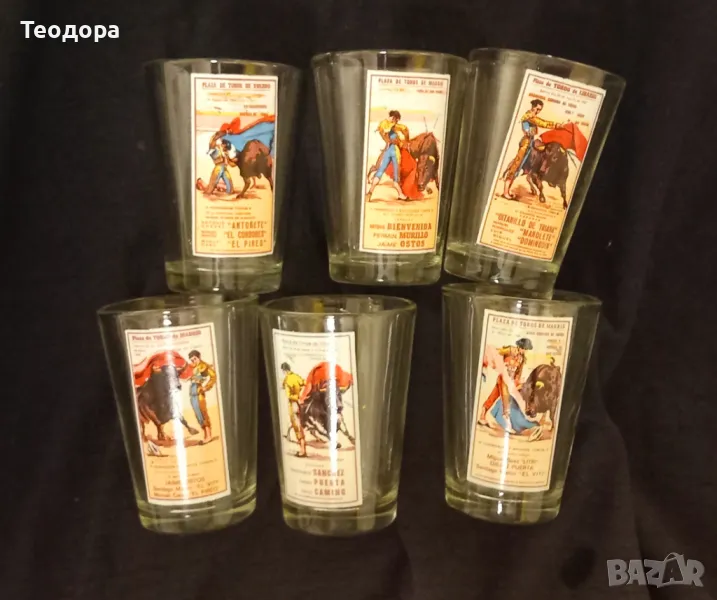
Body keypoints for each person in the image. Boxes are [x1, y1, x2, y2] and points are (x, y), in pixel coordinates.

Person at [501, 99, 562, 199]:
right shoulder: (529, 115)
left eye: (540, 110)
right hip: (525, 144)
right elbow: (541, 123)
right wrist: (555, 125)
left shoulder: (532, 116)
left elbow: (536, 127)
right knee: (515, 167)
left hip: (530, 143)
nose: (538, 111)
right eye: (537, 109)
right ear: (533, 106)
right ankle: (505, 193)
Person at [478, 338, 533, 434]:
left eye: (526, 349)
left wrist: (517, 383)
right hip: (503, 377)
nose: (525, 351)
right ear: (520, 346)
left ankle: (482, 416)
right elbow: (496, 353)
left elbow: (518, 373)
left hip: (510, 381)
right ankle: (507, 424)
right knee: (505, 399)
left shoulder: (522, 359)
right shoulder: (510, 349)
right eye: (524, 348)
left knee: (493, 396)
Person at [299, 361, 355, 444]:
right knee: (336, 415)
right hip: (330, 394)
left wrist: (302, 399)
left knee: (316, 420)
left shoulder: (315, 374)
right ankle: (348, 437)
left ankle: (335, 439)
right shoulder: (337, 373)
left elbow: (308, 388)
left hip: (323, 396)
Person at [366, 110, 409, 201]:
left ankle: (370, 192)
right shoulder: (395, 126)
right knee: (396, 175)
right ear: (394, 118)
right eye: (396, 119)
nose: (396, 121)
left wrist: (389, 140)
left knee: (380, 171)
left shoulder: (382, 124)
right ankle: (401, 194)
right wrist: (406, 141)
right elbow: (405, 130)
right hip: (394, 151)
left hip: (387, 150)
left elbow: (384, 136)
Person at [187, 349, 216, 443]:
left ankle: (209, 435)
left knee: (203, 413)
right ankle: (205, 435)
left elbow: (213, 377)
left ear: (199, 357)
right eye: (192, 360)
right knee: (198, 415)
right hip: (192, 393)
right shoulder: (192, 366)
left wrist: (206, 387)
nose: (193, 361)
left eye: (195, 359)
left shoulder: (204, 366)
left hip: (199, 393)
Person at [281, 362, 307, 457]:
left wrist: (297, 397)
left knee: (297, 428)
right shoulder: (296, 376)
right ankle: (303, 449)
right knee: (299, 427)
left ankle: (302, 451)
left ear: (284, 370)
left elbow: (289, 395)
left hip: (293, 405)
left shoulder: (287, 380)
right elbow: (304, 383)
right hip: (299, 405)